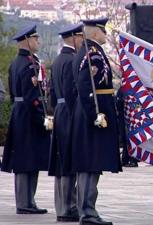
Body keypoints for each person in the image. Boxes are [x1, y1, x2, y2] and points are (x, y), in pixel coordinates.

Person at [71, 17, 122, 225]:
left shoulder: (91, 51)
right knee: (90, 164)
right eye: (103, 31)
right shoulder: (91, 54)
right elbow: (85, 88)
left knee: (91, 165)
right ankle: (88, 212)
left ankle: (87, 210)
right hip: (95, 113)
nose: (105, 35)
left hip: (94, 112)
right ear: (94, 33)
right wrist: (95, 115)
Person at [1, 24, 51, 214]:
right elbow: (33, 96)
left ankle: (27, 201)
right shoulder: (30, 65)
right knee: (26, 160)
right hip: (28, 115)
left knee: (28, 159)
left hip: (19, 112)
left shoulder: (16, 63)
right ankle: (25, 202)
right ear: (27, 41)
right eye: (35, 38)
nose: (38, 41)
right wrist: (42, 118)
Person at [48, 23, 84, 222]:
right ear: (74, 38)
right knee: (69, 160)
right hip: (69, 113)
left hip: (59, 112)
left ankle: (62, 206)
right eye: (81, 37)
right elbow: (72, 93)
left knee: (62, 160)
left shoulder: (58, 60)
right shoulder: (71, 60)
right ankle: (69, 207)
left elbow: (52, 94)